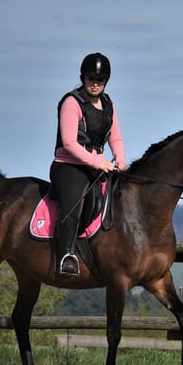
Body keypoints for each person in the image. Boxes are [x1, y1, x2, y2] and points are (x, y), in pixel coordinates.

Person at [50, 52, 127, 277]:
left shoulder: (108, 103)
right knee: (74, 202)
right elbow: (69, 143)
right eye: (91, 79)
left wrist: (120, 160)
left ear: (106, 81)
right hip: (69, 166)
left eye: (99, 80)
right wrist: (98, 162)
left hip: (98, 165)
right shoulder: (71, 103)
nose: (95, 83)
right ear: (83, 78)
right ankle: (66, 255)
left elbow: (116, 137)